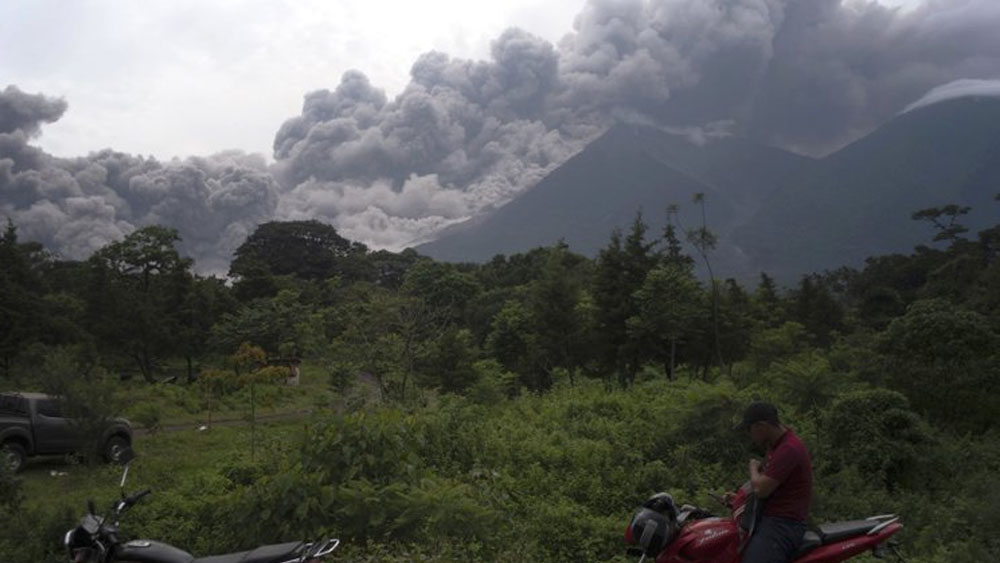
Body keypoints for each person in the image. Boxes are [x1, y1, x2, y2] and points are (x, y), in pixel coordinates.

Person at [734, 401, 813, 563]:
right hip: (770, 519)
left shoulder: (788, 449)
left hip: (782, 525)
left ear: (760, 426)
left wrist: (753, 467)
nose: (750, 436)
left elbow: (761, 489)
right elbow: (766, 481)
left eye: (749, 431)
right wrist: (737, 498)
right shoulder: (776, 446)